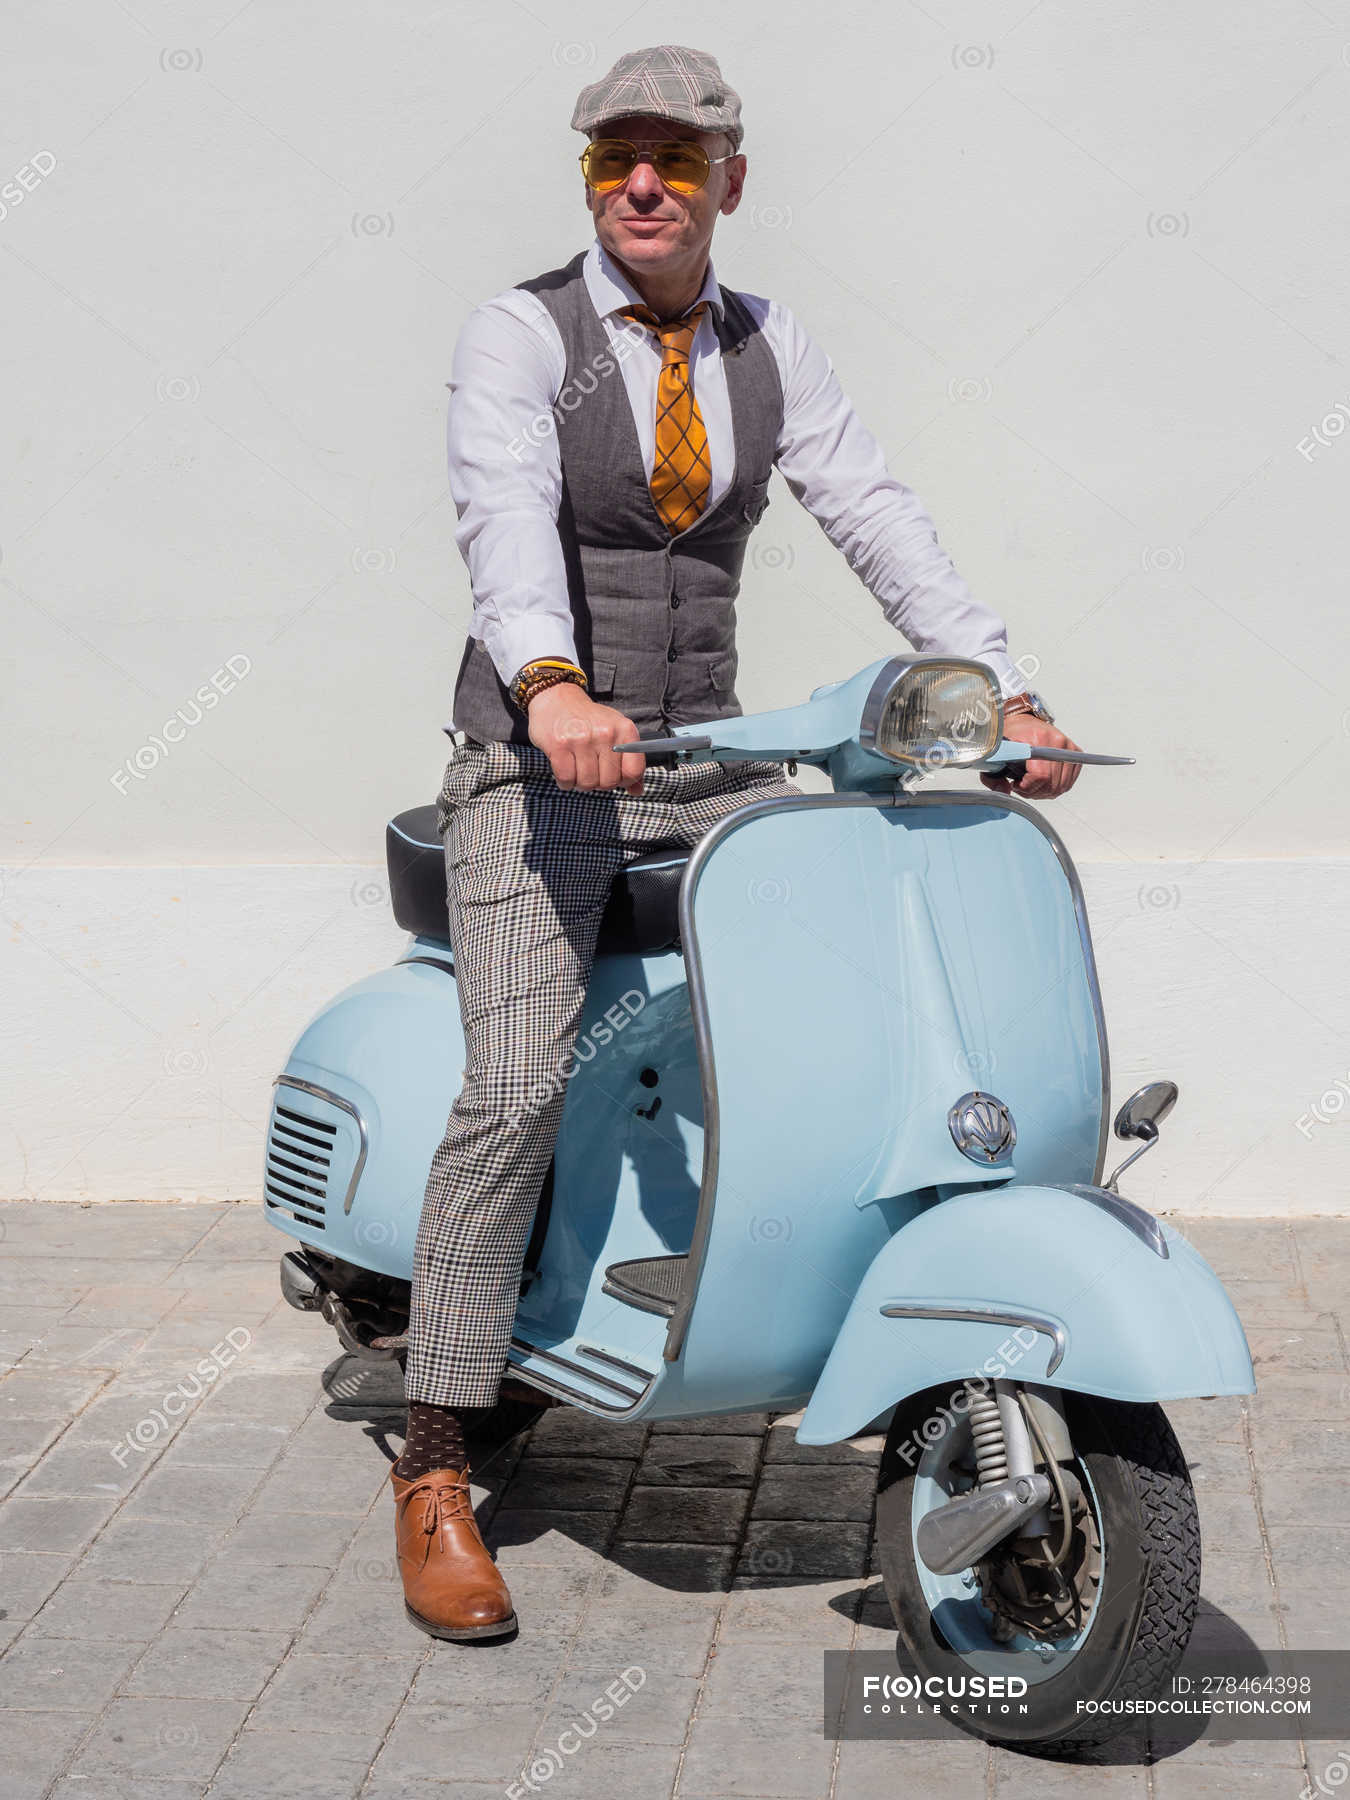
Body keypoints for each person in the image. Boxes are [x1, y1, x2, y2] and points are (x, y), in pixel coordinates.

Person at [390, 43, 1082, 1642]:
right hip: (539, 764)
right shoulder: (522, 334)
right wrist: (549, 688)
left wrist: (1003, 689)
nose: (645, 183)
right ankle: (433, 1463)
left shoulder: (770, 348)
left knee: (863, 998)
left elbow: (875, 511)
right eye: (617, 158)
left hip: (702, 759)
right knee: (517, 1085)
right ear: (589, 180)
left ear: (729, 182)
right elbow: (499, 514)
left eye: (677, 160)